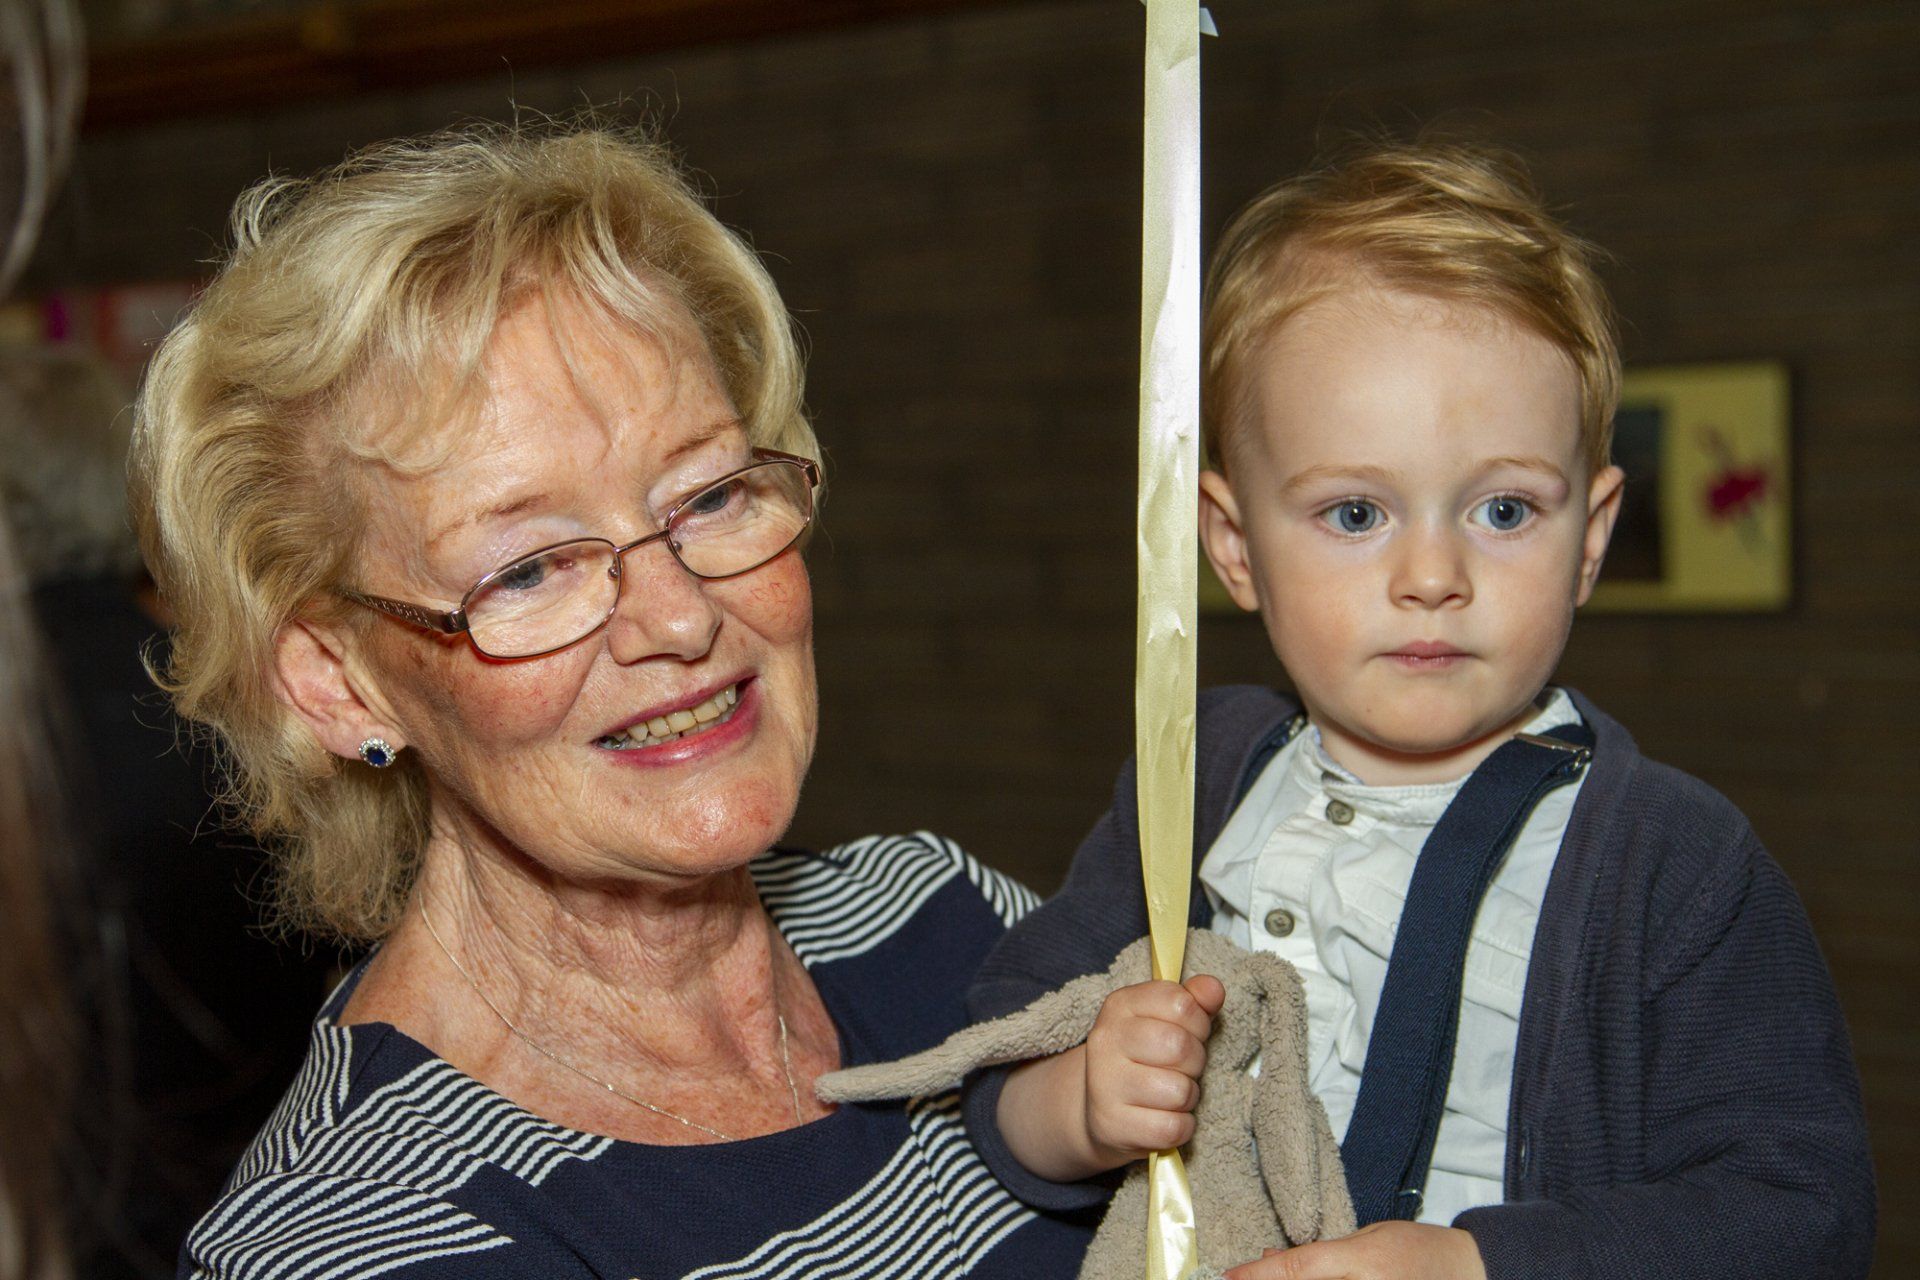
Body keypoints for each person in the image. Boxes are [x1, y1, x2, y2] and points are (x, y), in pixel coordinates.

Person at [131, 123, 1096, 1279]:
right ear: (337, 682)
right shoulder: (357, 1241)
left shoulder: (946, 919)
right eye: (529, 568)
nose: (681, 617)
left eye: (710, 494)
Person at [964, 139, 1876, 1280]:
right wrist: (1078, 1104)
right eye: (1356, 514)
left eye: (1503, 508)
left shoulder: (1675, 865)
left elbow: (1801, 1213)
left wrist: (1471, 1264)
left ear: (1590, 539)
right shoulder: (1190, 784)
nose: (1433, 572)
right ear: (1235, 547)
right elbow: (1004, 1037)